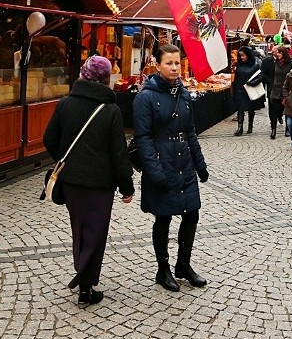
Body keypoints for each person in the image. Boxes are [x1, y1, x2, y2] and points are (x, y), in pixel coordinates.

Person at [43, 55, 135, 307]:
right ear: (106, 79)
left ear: (84, 75)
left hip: (72, 182)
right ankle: (85, 285)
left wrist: (64, 160)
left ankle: (83, 279)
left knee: (80, 229)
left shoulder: (66, 103)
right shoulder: (111, 109)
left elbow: (49, 138)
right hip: (100, 184)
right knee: (95, 232)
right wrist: (126, 186)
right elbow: (119, 152)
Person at [133, 44, 209, 293]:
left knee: (192, 214)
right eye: (169, 63)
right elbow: (143, 138)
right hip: (162, 165)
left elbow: (190, 132)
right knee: (163, 218)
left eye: (177, 63)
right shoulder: (145, 97)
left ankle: (183, 265)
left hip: (184, 165)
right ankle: (162, 269)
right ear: (157, 64)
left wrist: (200, 165)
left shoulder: (183, 94)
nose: (174, 67)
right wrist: (154, 172)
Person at [232, 46, 264, 136]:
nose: (242, 57)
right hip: (240, 89)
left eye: (243, 55)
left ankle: (250, 125)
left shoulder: (255, 65)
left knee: (251, 109)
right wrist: (234, 90)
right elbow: (236, 78)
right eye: (240, 56)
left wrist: (252, 83)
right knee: (240, 109)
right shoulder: (239, 65)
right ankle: (240, 127)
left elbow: (261, 76)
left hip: (250, 90)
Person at [268, 46, 292, 140]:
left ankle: (287, 128)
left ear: (283, 53)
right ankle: (273, 130)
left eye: (279, 52)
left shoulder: (291, 63)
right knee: (274, 111)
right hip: (275, 90)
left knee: (286, 111)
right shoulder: (275, 63)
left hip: (286, 90)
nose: (277, 54)